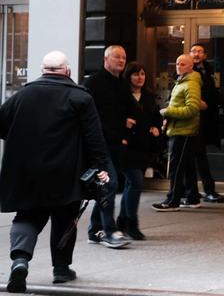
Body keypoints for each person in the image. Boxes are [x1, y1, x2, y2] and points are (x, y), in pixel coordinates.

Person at [1, 52, 115, 292]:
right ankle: (61, 270)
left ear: (43, 70)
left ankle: (20, 260)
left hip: (27, 171)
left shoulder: (22, 95)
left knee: (27, 216)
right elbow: (95, 138)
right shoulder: (80, 98)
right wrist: (101, 168)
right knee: (65, 219)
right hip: (67, 171)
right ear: (67, 71)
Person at [82, 45, 132, 248]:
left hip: (115, 143)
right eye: (117, 57)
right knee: (109, 184)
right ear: (106, 59)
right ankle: (109, 231)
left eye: (124, 57)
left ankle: (95, 230)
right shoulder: (93, 83)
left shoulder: (121, 84)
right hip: (98, 144)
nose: (121, 61)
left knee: (108, 186)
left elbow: (126, 110)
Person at [187, 43, 224, 204]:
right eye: (193, 51)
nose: (196, 54)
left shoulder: (207, 70)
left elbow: (213, 92)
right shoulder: (188, 71)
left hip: (204, 120)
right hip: (191, 119)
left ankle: (194, 191)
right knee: (196, 156)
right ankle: (201, 191)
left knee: (198, 155)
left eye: (199, 51)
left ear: (205, 55)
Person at [152, 54, 202, 211]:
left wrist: (168, 111)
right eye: (177, 63)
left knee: (176, 167)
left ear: (191, 66)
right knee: (187, 166)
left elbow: (192, 109)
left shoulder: (191, 83)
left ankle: (172, 200)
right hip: (180, 130)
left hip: (183, 131)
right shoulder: (182, 82)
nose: (179, 66)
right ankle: (192, 198)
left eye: (183, 64)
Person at [119, 62, 161, 240]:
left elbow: (155, 116)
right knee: (135, 182)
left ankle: (122, 221)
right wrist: (124, 123)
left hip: (143, 146)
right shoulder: (121, 95)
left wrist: (156, 127)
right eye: (136, 74)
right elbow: (112, 115)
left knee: (131, 185)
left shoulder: (149, 95)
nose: (140, 78)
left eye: (142, 74)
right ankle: (131, 223)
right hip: (126, 146)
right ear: (128, 77)